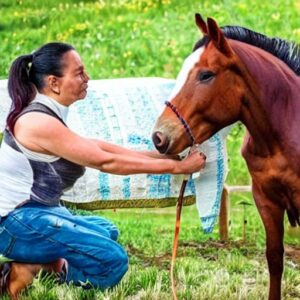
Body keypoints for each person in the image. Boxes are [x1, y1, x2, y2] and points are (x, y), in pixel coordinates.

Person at [0, 42, 206, 299]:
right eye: (79, 73)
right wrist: (178, 167)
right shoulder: (37, 122)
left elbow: (100, 149)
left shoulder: (48, 113)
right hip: (15, 223)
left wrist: (164, 156)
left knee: (106, 230)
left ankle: (41, 258)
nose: (87, 78)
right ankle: (38, 266)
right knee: (112, 261)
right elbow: (105, 162)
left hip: (37, 215)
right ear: (54, 83)